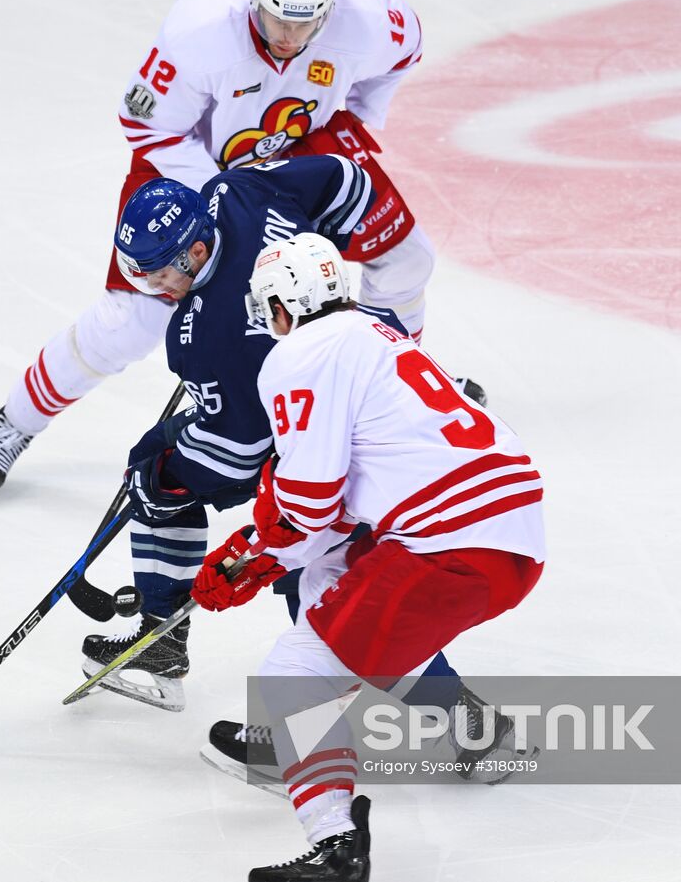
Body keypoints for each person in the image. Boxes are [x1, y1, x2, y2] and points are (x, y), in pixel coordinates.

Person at [0, 0, 462, 492]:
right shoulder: (199, 31)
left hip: (293, 147)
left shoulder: (365, 18)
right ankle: (14, 423)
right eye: (279, 20)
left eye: (306, 24)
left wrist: (361, 117)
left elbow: (407, 49)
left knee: (406, 258)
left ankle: (399, 384)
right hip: (189, 163)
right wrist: (222, 200)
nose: (291, 38)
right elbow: (147, 124)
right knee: (132, 322)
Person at [187, 233, 546, 880]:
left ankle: (335, 843)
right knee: (337, 579)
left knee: (295, 672)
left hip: (450, 542)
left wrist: (250, 555)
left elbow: (311, 501)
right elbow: (341, 512)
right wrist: (270, 552)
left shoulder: (301, 353)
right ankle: (303, 740)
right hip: (512, 532)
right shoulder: (375, 335)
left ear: (286, 303)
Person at [73, 153, 383, 711]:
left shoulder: (204, 341)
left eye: (161, 273)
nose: (154, 288)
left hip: (328, 450)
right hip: (382, 366)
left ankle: (169, 639)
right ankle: (445, 712)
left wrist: (160, 474)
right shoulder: (234, 192)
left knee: (310, 569)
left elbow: (240, 453)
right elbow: (343, 178)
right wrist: (323, 262)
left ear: (195, 251)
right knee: (358, 584)